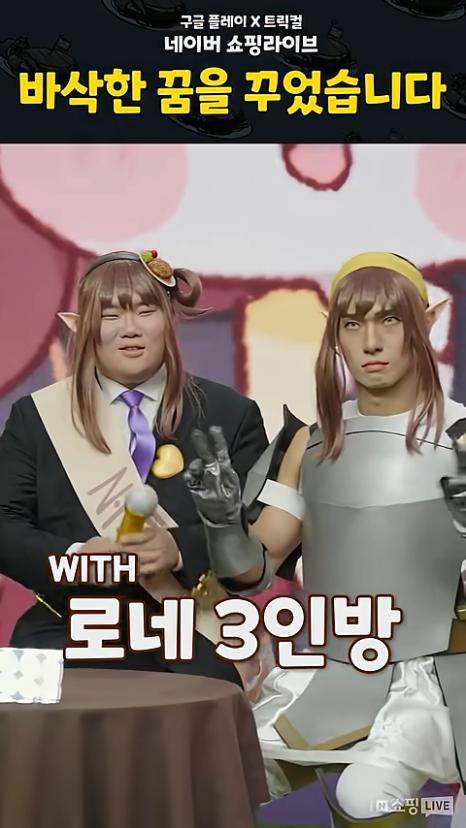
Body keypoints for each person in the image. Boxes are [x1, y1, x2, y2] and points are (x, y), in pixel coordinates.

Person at [184, 251, 466, 822]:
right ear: (333, 332)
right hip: (333, 669)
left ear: (427, 322)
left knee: (368, 798)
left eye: (390, 320)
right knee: (215, 774)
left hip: (437, 677)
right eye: (353, 323)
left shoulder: (460, 436)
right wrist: (221, 522)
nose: (371, 342)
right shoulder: (310, 444)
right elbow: (252, 568)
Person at [0, 249, 268, 688]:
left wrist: (178, 549)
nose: (130, 329)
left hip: (190, 634)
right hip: (64, 630)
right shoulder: (37, 417)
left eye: (146, 311)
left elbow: (259, 530)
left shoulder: (231, 414)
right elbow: (4, 526)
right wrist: (76, 558)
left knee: (213, 714)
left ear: (169, 319)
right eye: (110, 315)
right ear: (84, 326)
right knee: (23, 715)